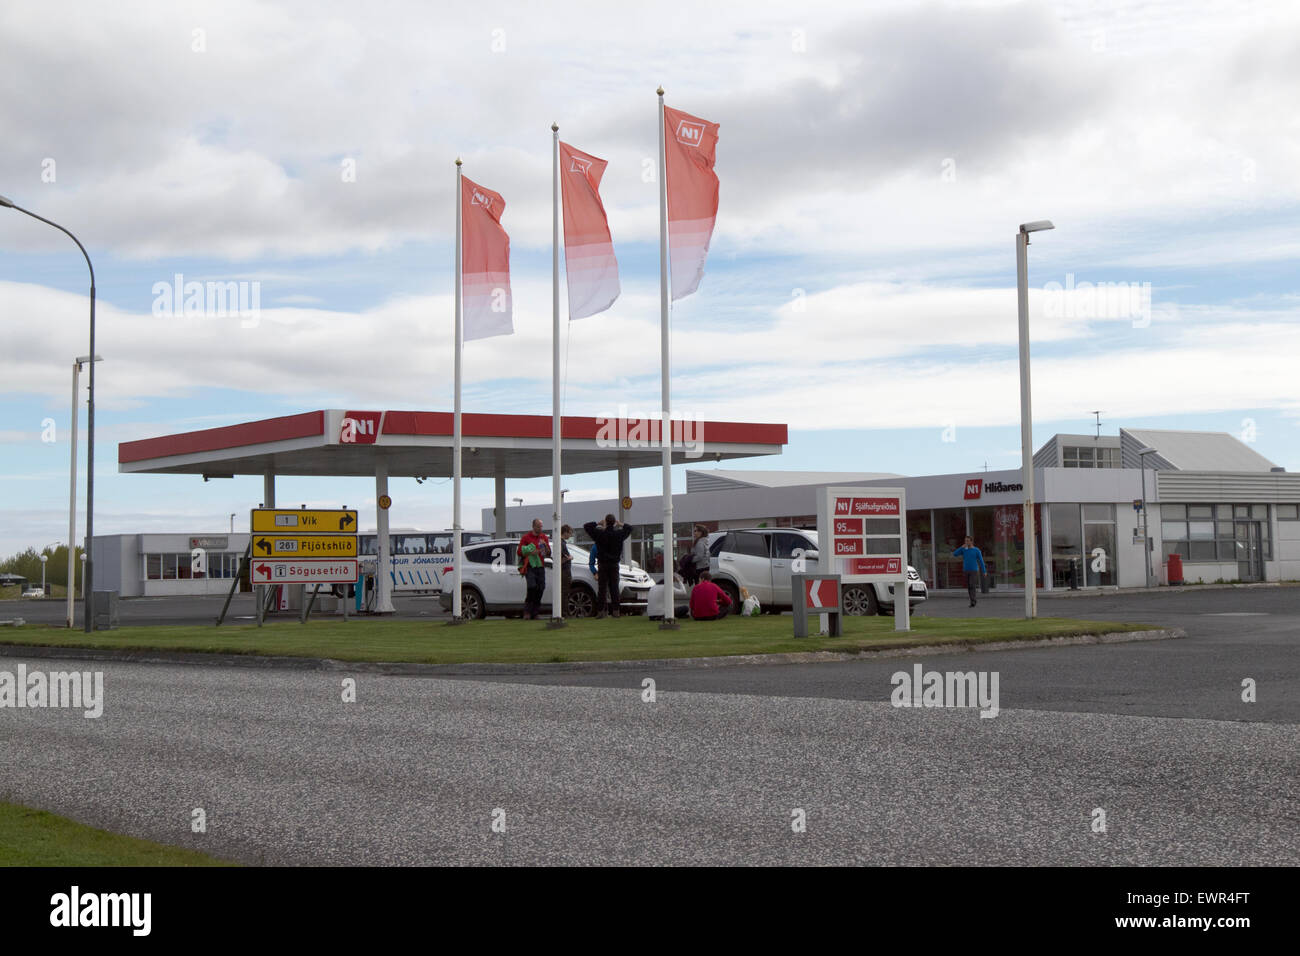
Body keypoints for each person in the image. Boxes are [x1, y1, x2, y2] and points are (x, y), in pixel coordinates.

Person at [583, 514, 633, 618]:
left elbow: (586, 526)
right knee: (614, 588)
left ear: (605, 522)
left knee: (602, 589)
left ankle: (601, 611)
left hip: (602, 564)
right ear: (614, 523)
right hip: (614, 564)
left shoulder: (599, 534)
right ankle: (616, 611)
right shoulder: (619, 534)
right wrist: (620, 524)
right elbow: (630, 528)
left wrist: (598, 523)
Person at [517, 518, 551, 620]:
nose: (540, 528)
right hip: (530, 566)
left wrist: (545, 546)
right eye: (538, 526)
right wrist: (530, 552)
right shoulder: (526, 537)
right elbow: (519, 552)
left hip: (540, 566)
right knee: (532, 587)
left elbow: (548, 553)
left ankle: (535, 612)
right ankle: (527, 611)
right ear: (533, 526)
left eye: (541, 526)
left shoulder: (544, 537)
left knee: (541, 588)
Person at [952, 535, 987, 608]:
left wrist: (984, 571)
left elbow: (981, 561)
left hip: (974, 570)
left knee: (972, 585)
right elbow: (955, 554)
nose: (966, 542)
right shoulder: (964, 550)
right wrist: (961, 547)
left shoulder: (976, 550)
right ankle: (972, 600)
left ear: (971, 542)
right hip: (966, 570)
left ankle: (973, 601)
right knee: (968, 586)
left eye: (967, 541)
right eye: (965, 541)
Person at [559, 524, 574, 617]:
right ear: (565, 532)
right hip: (564, 571)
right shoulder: (561, 543)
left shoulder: (562, 543)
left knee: (565, 592)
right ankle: (564, 612)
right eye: (570, 533)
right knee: (565, 592)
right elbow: (562, 558)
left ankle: (564, 611)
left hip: (565, 571)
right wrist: (569, 558)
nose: (570, 535)